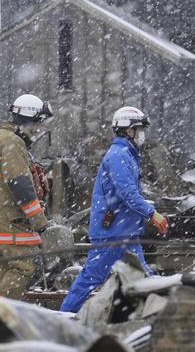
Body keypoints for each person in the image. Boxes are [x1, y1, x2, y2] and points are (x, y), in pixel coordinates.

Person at [60, 106, 169, 313]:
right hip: (113, 234)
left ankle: (154, 315)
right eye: (140, 129)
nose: (142, 134)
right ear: (129, 130)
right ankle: (64, 316)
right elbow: (128, 194)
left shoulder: (127, 154)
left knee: (142, 278)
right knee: (92, 278)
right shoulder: (119, 155)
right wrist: (151, 213)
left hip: (124, 232)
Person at [0, 93, 54, 299]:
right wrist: (39, 221)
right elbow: (20, 185)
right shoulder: (12, 143)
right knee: (23, 268)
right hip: (10, 223)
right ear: (27, 120)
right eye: (37, 123)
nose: (38, 129)